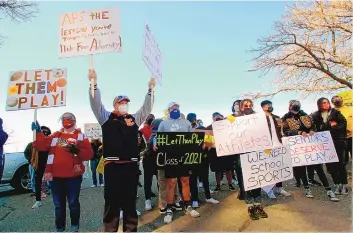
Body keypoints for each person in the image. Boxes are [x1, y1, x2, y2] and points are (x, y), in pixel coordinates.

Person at [88, 69, 154, 232]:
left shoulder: (133, 119)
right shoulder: (105, 118)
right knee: (112, 202)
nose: (124, 105)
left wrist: (151, 90)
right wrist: (94, 84)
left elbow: (146, 109)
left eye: (126, 103)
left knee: (130, 202)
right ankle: (110, 230)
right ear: (115, 105)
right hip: (112, 166)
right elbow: (96, 103)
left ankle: (130, 230)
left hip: (131, 166)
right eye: (121, 103)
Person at [32, 112, 93, 232]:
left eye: (69, 118)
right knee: (59, 206)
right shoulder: (55, 135)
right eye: (64, 118)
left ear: (74, 121)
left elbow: (89, 154)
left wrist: (78, 150)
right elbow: (41, 145)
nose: (66, 120)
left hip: (73, 176)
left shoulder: (81, 136)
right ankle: (60, 229)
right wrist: (38, 132)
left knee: (73, 203)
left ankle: (74, 227)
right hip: (55, 176)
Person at [282, 100, 339, 202]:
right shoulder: (286, 117)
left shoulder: (305, 115)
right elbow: (286, 131)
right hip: (298, 146)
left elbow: (312, 125)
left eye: (298, 104)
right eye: (294, 105)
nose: (297, 106)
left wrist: (313, 130)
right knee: (302, 168)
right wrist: (298, 132)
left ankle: (328, 190)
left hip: (311, 144)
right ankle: (307, 188)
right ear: (290, 106)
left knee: (318, 167)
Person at [154, 102, 200, 224]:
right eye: (173, 108)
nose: (175, 109)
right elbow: (157, 136)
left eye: (177, 107)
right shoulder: (164, 123)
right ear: (169, 110)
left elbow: (192, 137)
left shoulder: (186, 123)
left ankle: (188, 206)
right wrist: (155, 143)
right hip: (170, 156)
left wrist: (200, 143)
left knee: (185, 181)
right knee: (171, 182)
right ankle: (169, 209)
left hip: (184, 156)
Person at [233, 99, 268, 220]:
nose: (247, 107)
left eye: (250, 105)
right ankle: (250, 206)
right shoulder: (235, 118)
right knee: (245, 179)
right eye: (245, 105)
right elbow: (225, 128)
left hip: (256, 152)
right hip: (242, 154)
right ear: (241, 107)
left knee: (257, 178)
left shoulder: (259, 118)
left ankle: (258, 204)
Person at [311, 97, 348, 195]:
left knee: (340, 164)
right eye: (323, 103)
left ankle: (343, 185)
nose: (326, 104)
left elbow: (344, 123)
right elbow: (314, 127)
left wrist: (334, 126)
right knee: (331, 165)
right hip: (325, 143)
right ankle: (337, 183)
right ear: (319, 104)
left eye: (327, 102)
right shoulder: (315, 115)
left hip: (338, 141)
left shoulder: (335, 112)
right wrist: (326, 126)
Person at [187, 113, 219, 208]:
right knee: (193, 180)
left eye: (194, 119)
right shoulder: (186, 129)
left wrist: (207, 144)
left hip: (204, 158)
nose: (193, 121)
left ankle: (208, 196)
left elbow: (210, 142)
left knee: (205, 178)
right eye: (191, 119)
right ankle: (195, 199)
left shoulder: (203, 128)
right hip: (192, 158)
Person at [260, 100, 291, 198]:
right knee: (269, 168)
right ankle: (269, 189)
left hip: (278, 143)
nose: (270, 106)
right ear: (263, 107)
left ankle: (279, 187)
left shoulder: (277, 117)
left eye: (271, 105)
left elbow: (284, 129)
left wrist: (283, 126)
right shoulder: (259, 118)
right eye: (268, 105)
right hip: (267, 146)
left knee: (279, 166)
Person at [24, 126, 52, 208]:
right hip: (37, 164)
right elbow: (26, 153)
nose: (44, 133)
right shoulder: (32, 144)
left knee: (52, 181)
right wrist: (31, 161)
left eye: (46, 132)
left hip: (49, 164)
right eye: (42, 132)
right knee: (37, 181)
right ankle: (38, 200)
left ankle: (56, 196)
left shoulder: (50, 142)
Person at [208, 112, 236, 193]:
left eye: (219, 118)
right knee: (218, 170)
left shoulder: (227, 126)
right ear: (213, 119)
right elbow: (208, 141)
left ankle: (230, 184)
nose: (218, 120)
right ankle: (218, 185)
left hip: (226, 151)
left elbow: (233, 118)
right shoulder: (210, 128)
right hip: (215, 151)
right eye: (216, 118)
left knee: (228, 169)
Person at [143, 118, 162, 211]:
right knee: (151, 181)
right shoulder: (155, 136)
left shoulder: (152, 134)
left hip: (151, 161)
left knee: (153, 181)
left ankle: (151, 200)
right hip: (151, 161)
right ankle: (149, 200)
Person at [331, 95, 352, 164]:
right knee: (343, 160)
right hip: (340, 138)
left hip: (351, 136)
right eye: (335, 101)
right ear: (332, 103)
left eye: (339, 100)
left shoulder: (350, 109)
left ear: (342, 100)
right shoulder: (331, 112)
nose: (337, 101)